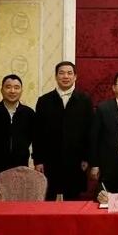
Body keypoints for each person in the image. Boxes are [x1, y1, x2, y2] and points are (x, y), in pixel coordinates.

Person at [33, 61, 93, 200]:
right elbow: (37, 133)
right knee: (47, 200)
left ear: (75, 77)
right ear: (56, 76)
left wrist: (87, 157)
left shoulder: (84, 100)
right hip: (50, 160)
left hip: (76, 161)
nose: (65, 76)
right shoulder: (44, 101)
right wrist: (38, 160)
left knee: (73, 202)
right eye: (61, 73)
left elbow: (90, 131)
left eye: (69, 73)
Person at [0, 74, 35, 201]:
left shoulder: (29, 114)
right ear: (1, 90)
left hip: (20, 168)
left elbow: (32, 139)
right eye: (8, 87)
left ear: (21, 90)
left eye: (16, 87)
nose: (12, 91)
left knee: (19, 206)